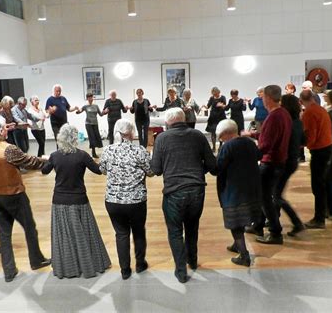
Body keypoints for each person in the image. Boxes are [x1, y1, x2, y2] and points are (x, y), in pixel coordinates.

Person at [0, 115, 51, 282]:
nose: (7, 130)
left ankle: (9, 270)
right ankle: (36, 259)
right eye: (5, 127)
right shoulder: (9, 149)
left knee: (4, 234)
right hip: (14, 195)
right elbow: (30, 162)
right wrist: (48, 160)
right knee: (29, 227)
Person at [151, 108, 216, 283]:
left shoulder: (162, 138)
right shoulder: (198, 135)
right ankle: (193, 261)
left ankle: (181, 271)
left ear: (167, 122)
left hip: (174, 192)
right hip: (196, 189)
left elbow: (155, 169)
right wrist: (197, 171)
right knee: (192, 227)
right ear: (185, 119)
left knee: (175, 232)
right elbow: (212, 164)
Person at [42, 124, 111, 279]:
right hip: (79, 199)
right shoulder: (82, 155)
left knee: (64, 235)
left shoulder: (54, 155)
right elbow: (98, 170)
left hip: (59, 200)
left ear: (60, 138)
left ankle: (67, 266)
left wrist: (46, 160)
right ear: (75, 138)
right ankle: (89, 263)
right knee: (85, 233)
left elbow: (44, 170)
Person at [99, 119, 153, 280]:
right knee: (138, 231)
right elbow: (151, 172)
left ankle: (124, 269)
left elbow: (102, 170)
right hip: (136, 200)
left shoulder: (108, 150)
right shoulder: (140, 150)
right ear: (131, 133)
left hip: (113, 200)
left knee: (121, 234)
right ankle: (140, 263)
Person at [243, 85, 292, 244]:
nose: (262, 100)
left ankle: (275, 232)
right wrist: (253, 134)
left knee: (264, 198)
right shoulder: (284, 113)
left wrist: (248, 156)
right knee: (263, 196)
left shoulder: (273, 117)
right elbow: (270, 135)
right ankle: (257, 225)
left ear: (268, 98)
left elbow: (266, 145)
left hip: (271, 162)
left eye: (263, 97)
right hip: (279, 161)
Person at [215, 119, 262, 267]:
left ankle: (244, 254)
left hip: (233, 188)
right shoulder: (249, 142)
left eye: (221, 136)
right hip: (251, 186)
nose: (220, 139)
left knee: (234, 222)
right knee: (243, 217)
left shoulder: (227, 147)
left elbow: (218, 168)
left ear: (227, 133)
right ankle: (237, 245)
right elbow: (259, 156)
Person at [300, 90, 332, 229]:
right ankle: (325, 212)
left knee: (317, 185)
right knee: (322, 183)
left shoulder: (309, 112)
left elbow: (311, 135)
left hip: (319, 150)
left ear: (301, 101)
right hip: (327, 147)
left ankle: (319, 219)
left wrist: (302, 144)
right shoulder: (321, 110)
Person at [276, 94, 306, 236]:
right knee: (275, 193)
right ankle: (272, 220)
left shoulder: (289, 122)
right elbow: (303, 140)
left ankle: (297, 223)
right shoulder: (298, 121)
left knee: (275, 195)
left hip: (286, 162)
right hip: (292, 161)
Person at [76, 93, 103, 158]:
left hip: (95, 123)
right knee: (92, 138)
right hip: (88, 124)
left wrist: (105, 112)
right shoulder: (85, 106)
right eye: (89, 97)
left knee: (97, 137)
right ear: (87, 98)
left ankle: (95, 150)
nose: (91, 99)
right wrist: (77, 110)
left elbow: (101, 114)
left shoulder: (96, 106)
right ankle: (93, 152)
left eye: (91, 97)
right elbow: (79, 112)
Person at [204, 86, 226, 152]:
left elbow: (225, 106)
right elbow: (208, 106)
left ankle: (220, 146)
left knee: (221, 132)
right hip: (213, 117)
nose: (214, 95)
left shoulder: (223, 97)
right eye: (213, 94)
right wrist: (204, 106)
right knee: (213, 133)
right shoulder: (211, 98)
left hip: (221, 117)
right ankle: (213, 147)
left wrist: (221, 105)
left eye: (215, 93)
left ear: (218, 92)